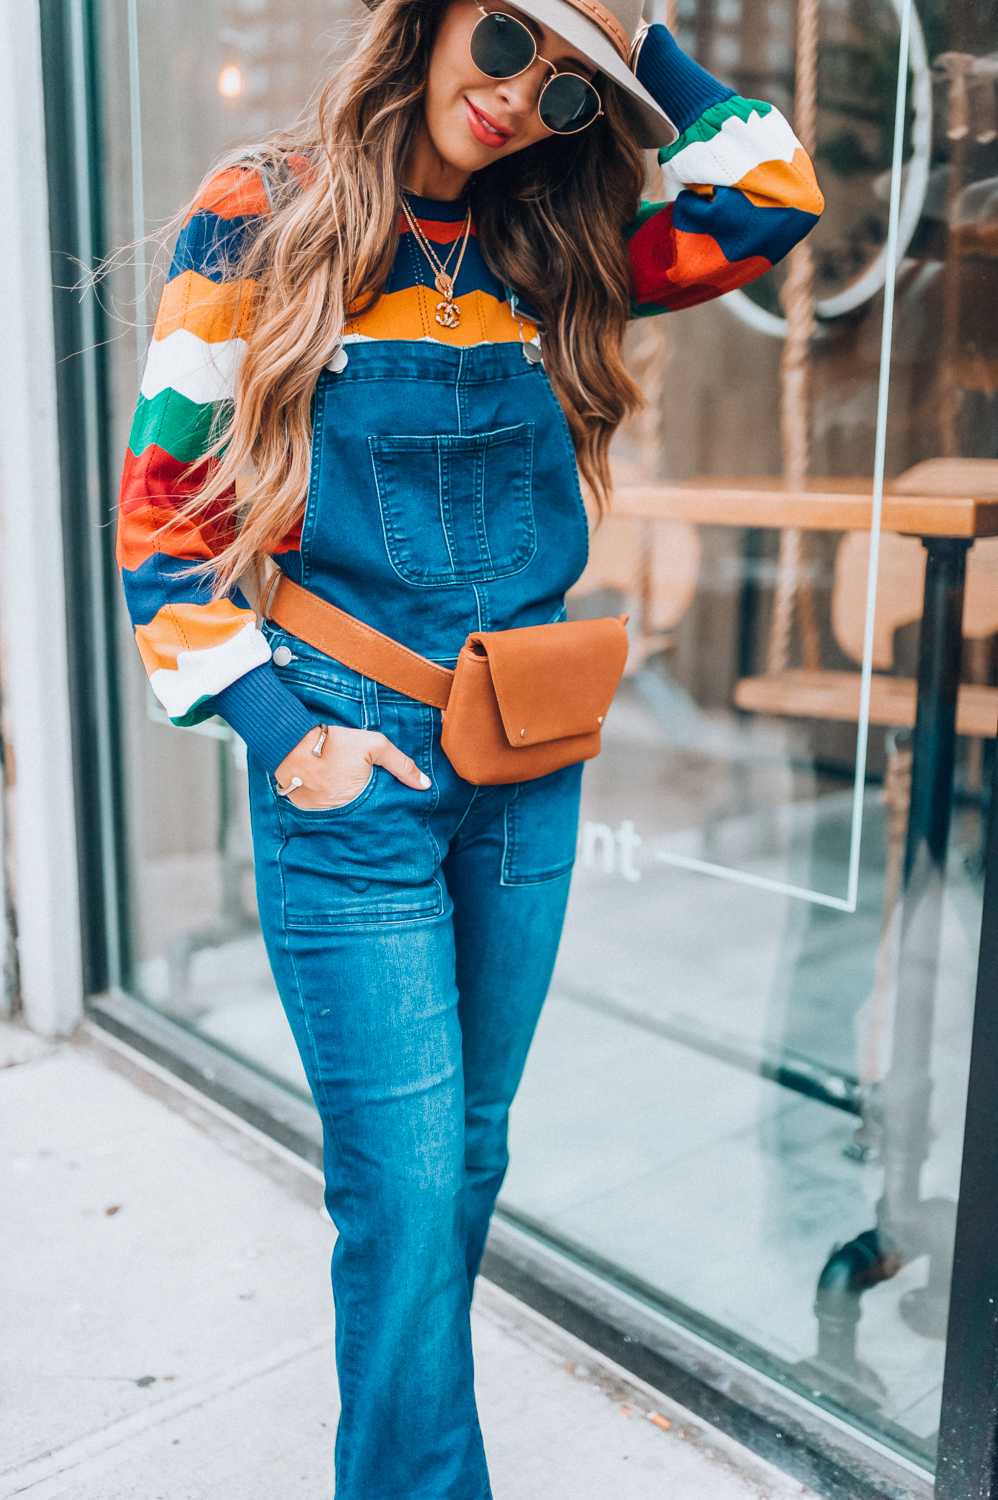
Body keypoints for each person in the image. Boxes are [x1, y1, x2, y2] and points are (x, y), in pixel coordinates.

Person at [117, 0, 822, 1492]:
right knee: (407, 1178)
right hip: (347, 760)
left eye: (569, 89)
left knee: (469, 1155)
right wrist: (281, 735)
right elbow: (164, 525)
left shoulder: (553, 247)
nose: (516, 98)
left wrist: (645, 42)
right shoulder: (264, 211)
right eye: (505, 40)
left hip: (522, 757)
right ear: (430, 20)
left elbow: (768, 194)